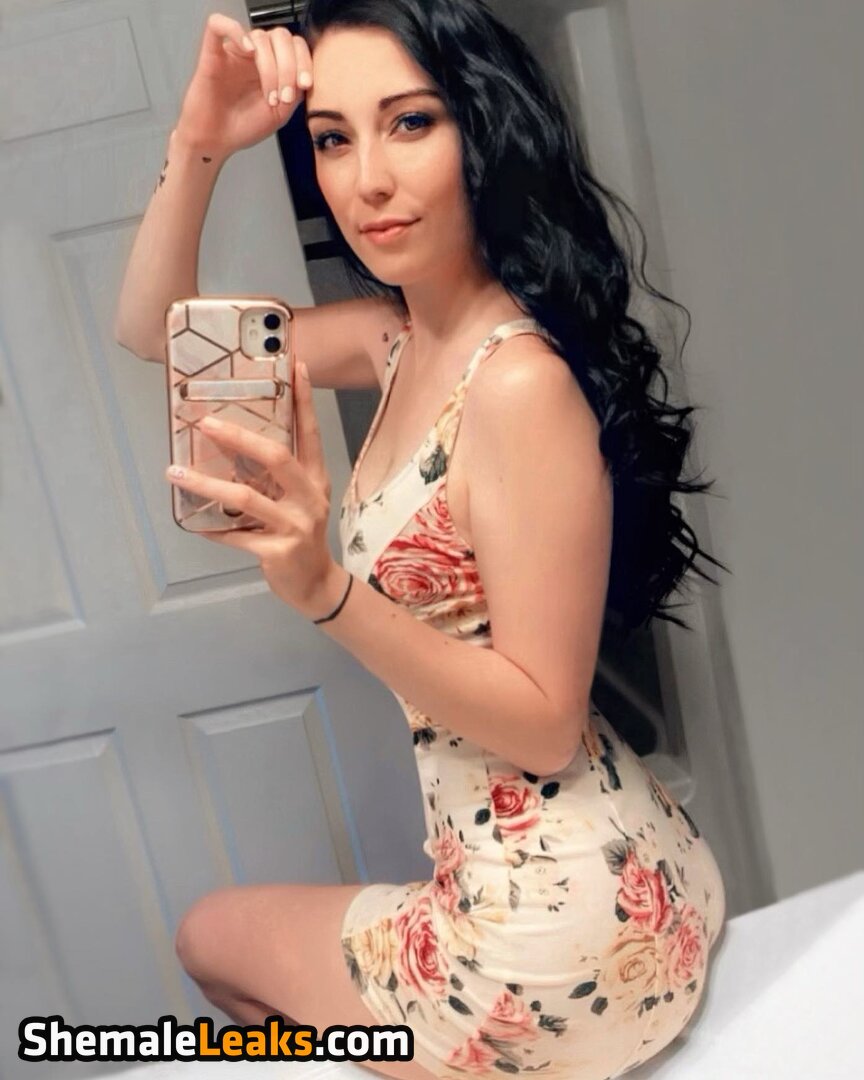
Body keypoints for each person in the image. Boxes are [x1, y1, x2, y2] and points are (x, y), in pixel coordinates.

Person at [115, 2, 729, 1077]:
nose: (366, 181)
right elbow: (159, 335)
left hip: (547, 949)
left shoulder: (519, 382)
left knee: (206, 940)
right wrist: (199, 141)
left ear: (483, 131)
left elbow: (545, 725)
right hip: (638, 883)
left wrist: (325, 589)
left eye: (410, 123)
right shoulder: (394, 342)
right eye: (333, 138)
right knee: (224, 943)